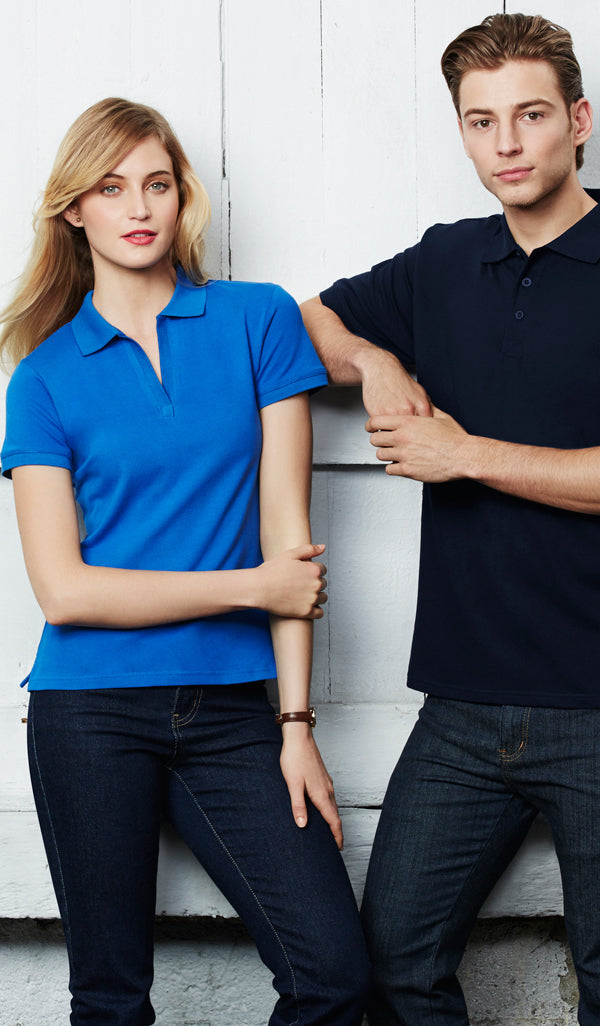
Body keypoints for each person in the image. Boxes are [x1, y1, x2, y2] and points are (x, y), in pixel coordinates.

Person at [301, 12, 600, 1026]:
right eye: (479, 121)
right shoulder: (443, 262)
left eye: (529, 115)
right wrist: (380, 362)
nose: (505, 143)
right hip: (459, 703)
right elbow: (306, 323)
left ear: (575, 122)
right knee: (393, 966)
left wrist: (463, 455)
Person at [1, 97, 369, 1026]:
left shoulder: (257, 321)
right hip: (88, 715)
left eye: (157, 184)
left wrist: (294, 724)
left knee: (333, 974)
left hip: (233, 711)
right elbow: (66, 591)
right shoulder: (42, 376)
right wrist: (251, 587)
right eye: (112, 186)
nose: (139, 206)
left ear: (182, 199)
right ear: (73, 210)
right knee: (111, 998)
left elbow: (291, 533)